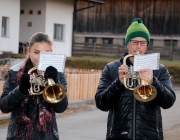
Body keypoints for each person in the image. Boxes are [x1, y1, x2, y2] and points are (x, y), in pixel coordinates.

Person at [95, 18, 176, 140]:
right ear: (127, 43)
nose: (138, 47)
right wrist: (119, 82)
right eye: (134, 42)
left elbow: (168, 102)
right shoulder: (111, 68)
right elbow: (101, 103)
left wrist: (153, 82)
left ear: (147, 45)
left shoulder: (160, 69)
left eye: (143, 43)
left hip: (150, 136)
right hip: (118, 136)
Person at [0, 32, 68, 140]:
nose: (41, 57)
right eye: (37, 52)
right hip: (18, 136)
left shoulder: (57, 73)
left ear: (52, 52)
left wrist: (55, 81)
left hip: (47, 136)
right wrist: (20, 90)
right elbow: (4, 106)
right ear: (28, 51)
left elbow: (61, 108)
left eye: (46, 52)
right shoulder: (14, 72)